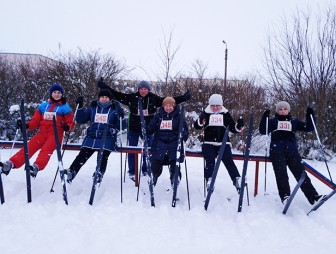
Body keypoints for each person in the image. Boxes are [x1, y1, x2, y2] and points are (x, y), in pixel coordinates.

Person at [97, 78, 191, 181]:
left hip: (148, 127)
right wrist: (104, 86)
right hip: (133, 126)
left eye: (145, 89)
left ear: (148, 90)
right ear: (138, 89)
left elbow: (168, 101)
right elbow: (117, 95)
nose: (143, 91)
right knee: (131, 149)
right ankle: (132, 171)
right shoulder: (132, 97)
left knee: (149, 149)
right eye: (141, 89)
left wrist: (183, 98)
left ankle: (146, 169)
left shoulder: (153, 98)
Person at [0, 83, 74, 177]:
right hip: (42, 133)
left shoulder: (65, 108)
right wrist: (26, 125)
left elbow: (71, 122)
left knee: (46, 150)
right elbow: (35, 122)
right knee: (29, 147)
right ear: (51, 94)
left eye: (59, 92)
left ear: (62, 94)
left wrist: (67, 127)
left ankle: (36, 166)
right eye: (54, 92)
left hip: (55, 134)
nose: (56, 94)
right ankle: (11, 163)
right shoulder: (43, 106)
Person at [259, 101, 323, 205]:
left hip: (292, 152)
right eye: (280, 109)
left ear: (288, 110)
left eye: (285, 109)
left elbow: (308, 128)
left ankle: (314, 197)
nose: (283, 111)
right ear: (277, 111)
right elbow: (262, 130)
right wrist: (264, 117)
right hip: (277, 151)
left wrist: (310, 115)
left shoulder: (294, 121)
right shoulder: (273, 121)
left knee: (301, 174)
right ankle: (285, 196)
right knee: (281, 174)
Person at [65, 89, 122, 184]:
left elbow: (121, 126)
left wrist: (121, 116)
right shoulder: (93, 108)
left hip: (107, 137)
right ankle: (72, 170)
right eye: (102, 97)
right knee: (83, 154)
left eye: (106, 97)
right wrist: (80, 108)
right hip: (92, 136)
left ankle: (99, 173)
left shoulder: (114, 110)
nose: (104, 99)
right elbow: (81, 119)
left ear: (110, 99)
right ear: (99, 98)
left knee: (103, 155)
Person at [194, 94, 245, 193]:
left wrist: (239, 125)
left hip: (223, 142)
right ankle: (209, 180)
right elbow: (197, 126)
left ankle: (236, 179)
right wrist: (200, 120)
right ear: (210, 105)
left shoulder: (225, 114)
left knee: (228, 160)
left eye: (218, 105)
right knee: (210, 160)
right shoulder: (206, 113)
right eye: (213, 106)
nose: (216, 108)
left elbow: (233, 127)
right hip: (209, 142)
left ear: (221, 105)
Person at [146, 97, 189, 186]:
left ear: (174, 106)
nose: (168, 108)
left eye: (170, 106)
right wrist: (145, 129)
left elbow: (185, 130)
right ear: (163, 106)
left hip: (174, 144)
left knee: (175, 164)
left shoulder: (178, 117)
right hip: (159, 143)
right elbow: (151, 128)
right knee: (155, 162)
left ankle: (175, 178)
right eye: (166, 106)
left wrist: (183, 136)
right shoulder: (158, 116)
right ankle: (154, 175)